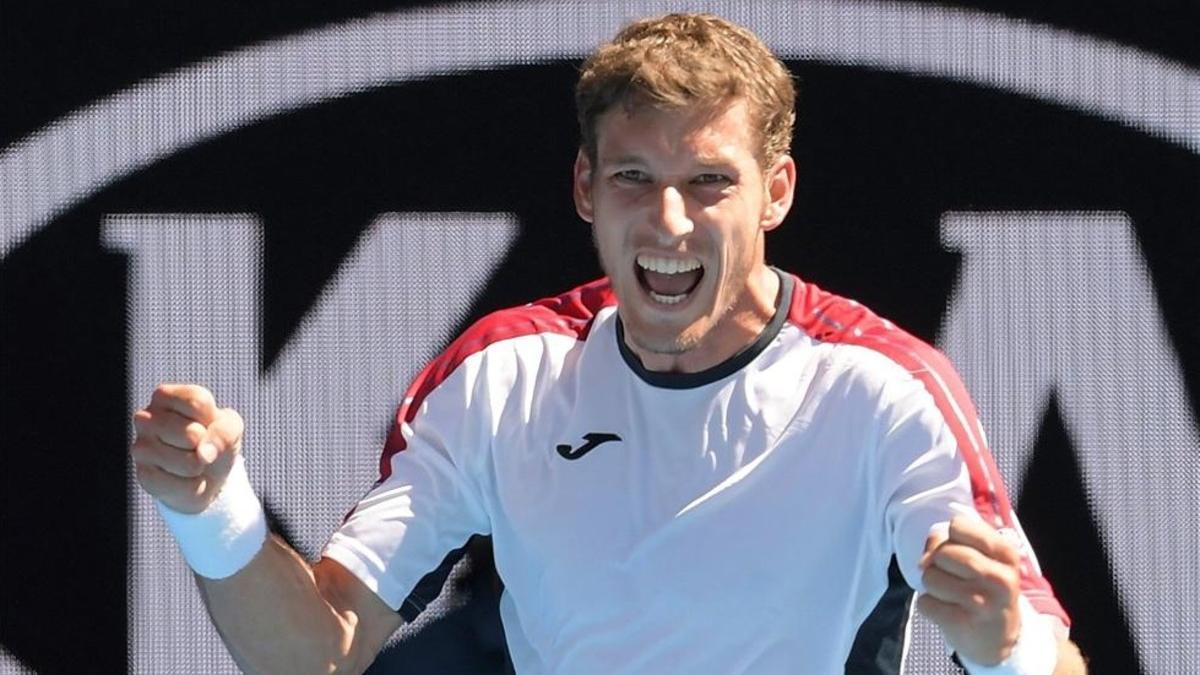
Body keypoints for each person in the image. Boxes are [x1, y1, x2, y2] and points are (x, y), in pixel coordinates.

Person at [130, 12, 1087, 674]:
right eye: (635, 177)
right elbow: (318, 648)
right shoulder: (503, 376)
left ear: (777, 193)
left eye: (710, 182)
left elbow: (1050, 655)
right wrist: (210, 507)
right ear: (586, 189)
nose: (668, 221)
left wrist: (1006, 650)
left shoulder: (883, 389)